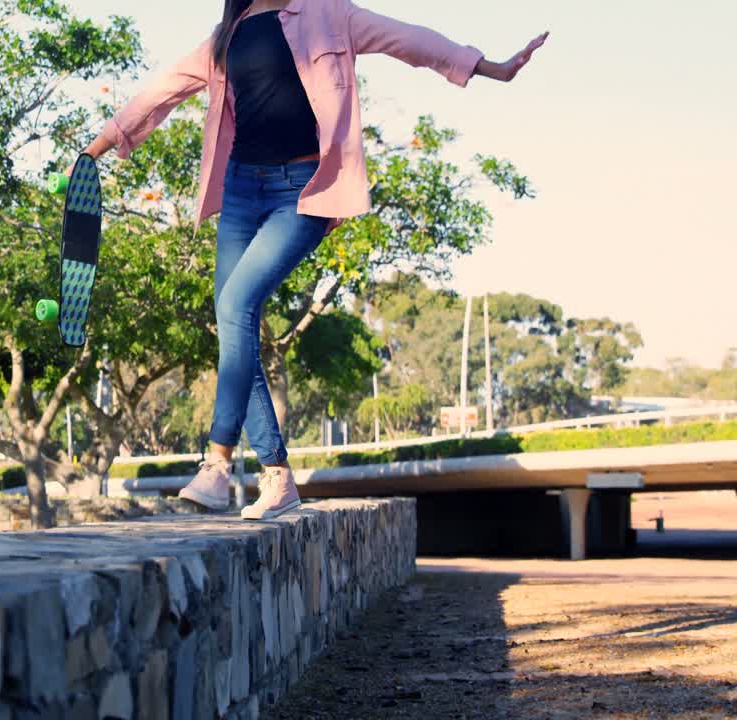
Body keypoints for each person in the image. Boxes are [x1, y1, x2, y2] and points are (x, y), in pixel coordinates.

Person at [79, 0, 546, 519]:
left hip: (303, 192)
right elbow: (162, 90)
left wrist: (488, 67)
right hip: (241, 191)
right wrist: (94, 149)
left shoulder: (329, 15)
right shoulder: (227, 35)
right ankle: (259, 475)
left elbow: (408, 40)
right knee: (234, 322)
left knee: (234, 304)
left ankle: (232, 467)